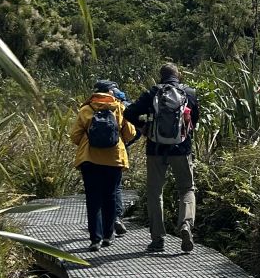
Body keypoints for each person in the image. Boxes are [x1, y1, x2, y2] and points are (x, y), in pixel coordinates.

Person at [125, 63, 200, 255]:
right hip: (181, 149)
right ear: (179, 75)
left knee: (155, 192)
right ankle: (185, 225)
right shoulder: (189, 93)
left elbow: (129, 112)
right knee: (186, 189)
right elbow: (195, 120)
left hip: (156, 149)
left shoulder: (153, 93)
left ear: (161, 77)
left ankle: (158, 239)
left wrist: (143, 127)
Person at [70, 79, 137, 252]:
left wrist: (88, 140)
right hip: (114, 160)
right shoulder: (119, 108)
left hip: (89, 160)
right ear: (111, 94)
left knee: (93, 199)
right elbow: (130, 134)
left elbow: (75, 136)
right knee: (111, 196)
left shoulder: (85, 110)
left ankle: (95, 240)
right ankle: (108, 236)